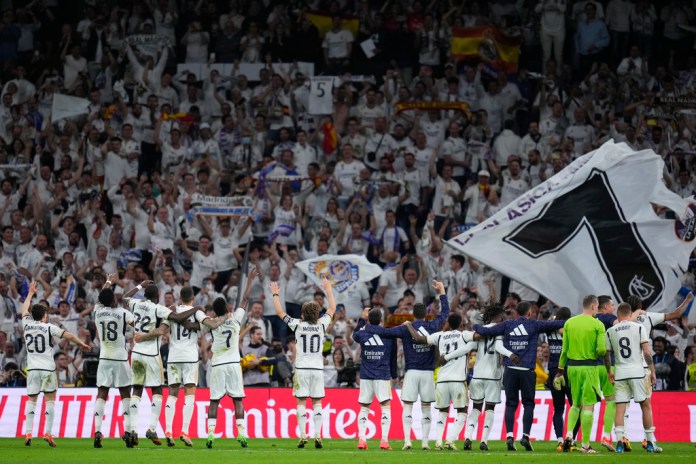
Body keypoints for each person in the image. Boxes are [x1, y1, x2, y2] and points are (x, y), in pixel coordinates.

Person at [363, 280, 450, 450]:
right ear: (425, 314)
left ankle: (407, 441)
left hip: (411, 373)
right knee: (426, 408)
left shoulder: (405, 328)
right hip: (427, 373)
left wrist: (368, 325)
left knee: (408, 407)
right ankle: (425, 442)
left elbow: (385, 332)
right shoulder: (432, 325)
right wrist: (442, 292)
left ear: (413, 315)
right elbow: (445, 313)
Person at [474, 300, 564, 451]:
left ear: (517, 312)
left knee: (511, 404)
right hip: (527, 371)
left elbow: (486, 331)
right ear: (529, 313)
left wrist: (475, 327)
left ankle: (509, 436)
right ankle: (525, 436)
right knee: (528, 404)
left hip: (510, 370)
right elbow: (556, 324)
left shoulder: (508, 325)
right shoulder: (535, 324)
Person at [123, 283, 198, 447]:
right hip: (151, 354)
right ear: (157, 297)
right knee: (157, 390)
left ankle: (133, 429)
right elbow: (178, 319)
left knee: (136, 389)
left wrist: (139, 285)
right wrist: (195, 308)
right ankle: (151, 428)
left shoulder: (136, 304)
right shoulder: (159, 309)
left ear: (144, 295)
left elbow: (124, 298)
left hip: (136, 353)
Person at [21, 281, 90, 447]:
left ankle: (29, 432)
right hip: (47, 368)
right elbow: (69, 335)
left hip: (33, 369)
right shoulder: (48, 327)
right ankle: (48, 433)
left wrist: (30, 293)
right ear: (44, 316)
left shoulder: (26, 324)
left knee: (32, 400)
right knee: (50, 400)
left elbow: (24, 309)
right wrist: (82, 344)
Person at [271, 277, 336, 449]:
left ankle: (302, 435)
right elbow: (332, 308)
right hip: (317, 368)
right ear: (317, 313)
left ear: (303, 314)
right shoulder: (322, 324)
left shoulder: (297, 324)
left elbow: (279, 312)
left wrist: (276, 294)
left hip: (301, 368)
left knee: (301, 402)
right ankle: (317, 434)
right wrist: (328, 289)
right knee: (317, 403)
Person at [163, 286, 228, 447]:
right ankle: (185, 431)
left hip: (173, 356)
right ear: (193, 298)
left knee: (172, 393)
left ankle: (169, 430)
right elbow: (211, 324)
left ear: (180, 297)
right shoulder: (197, 312)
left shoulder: (172, 310)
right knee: (190, 393)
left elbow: (163, 329)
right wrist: (226, 317)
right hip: (190, 357)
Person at [403, 312, 476, 450]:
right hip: (458, 380)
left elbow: (418, 338)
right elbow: (478, 336)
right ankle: (450, 439)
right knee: (463, 411)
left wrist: (408, 325)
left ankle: (438, 441)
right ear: (461, 324)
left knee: (443, 411)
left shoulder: (440, 336)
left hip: (442, 380)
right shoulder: (464, 335)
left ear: (448, 323)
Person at [464, 305, 521, 451]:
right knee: (489, 408)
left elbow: (467, 346)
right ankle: (484, 441)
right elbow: (498, 346)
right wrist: (510, 354)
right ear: (501, 318)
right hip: (492, 377)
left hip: (477, 375)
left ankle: (468, 437)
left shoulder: (480, 330)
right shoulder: (500, 330)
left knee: (476, 407)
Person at [605, 302, 660, 453]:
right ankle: (650, 443)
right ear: (630, 315)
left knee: (620, 409)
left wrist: (609, 371)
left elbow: (607, 354)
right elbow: (647, 352)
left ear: (618, 315)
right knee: (646, 405)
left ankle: (619, 444)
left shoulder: (610, 330)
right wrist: (652, 371)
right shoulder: (639, 327)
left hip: (621, 373)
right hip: (637, 372)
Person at [555, 295, 606, 453]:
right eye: (597, 307)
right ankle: (585, 444)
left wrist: (560, 370)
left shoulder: (569, 323)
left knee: (575, 404)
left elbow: (564, 350)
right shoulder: (597, 324)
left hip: (572, 368)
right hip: (589, 367)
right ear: (592, 306)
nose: (597, 310)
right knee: (588, 407)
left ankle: (569, 435)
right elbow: (602, 350)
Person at [93, 274, 135, 448]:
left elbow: (101, 296)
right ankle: (127, 431)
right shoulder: (123, 313)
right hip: (120, 358)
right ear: (113, 300)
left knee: (102, 394)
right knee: (125, 393)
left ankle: (97, 431)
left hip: (104, 358)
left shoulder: (97, 312)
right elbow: (136, 324)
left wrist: (108, 281)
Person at [352, 307, 397, 450]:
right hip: (382, 375)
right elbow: (393, 358)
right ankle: (384, 440)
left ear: (369, 320)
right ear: (381, 320)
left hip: (366, 376)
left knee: (364, 408)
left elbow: (355, 334)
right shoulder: (389, 336)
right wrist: (394, 375)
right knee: (385, 407)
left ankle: (362, 440)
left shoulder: (363, 334)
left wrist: (362, 319)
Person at [595, 295, 618, 451]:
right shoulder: (609, 317)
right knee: (611, 402)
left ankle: (583, 442)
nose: (614, 307)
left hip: (592, 367)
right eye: (612, 304)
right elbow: (621, 325)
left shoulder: (591, 319)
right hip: (609, 366)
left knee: (585, 405)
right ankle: (606, 435)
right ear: (604, 307)